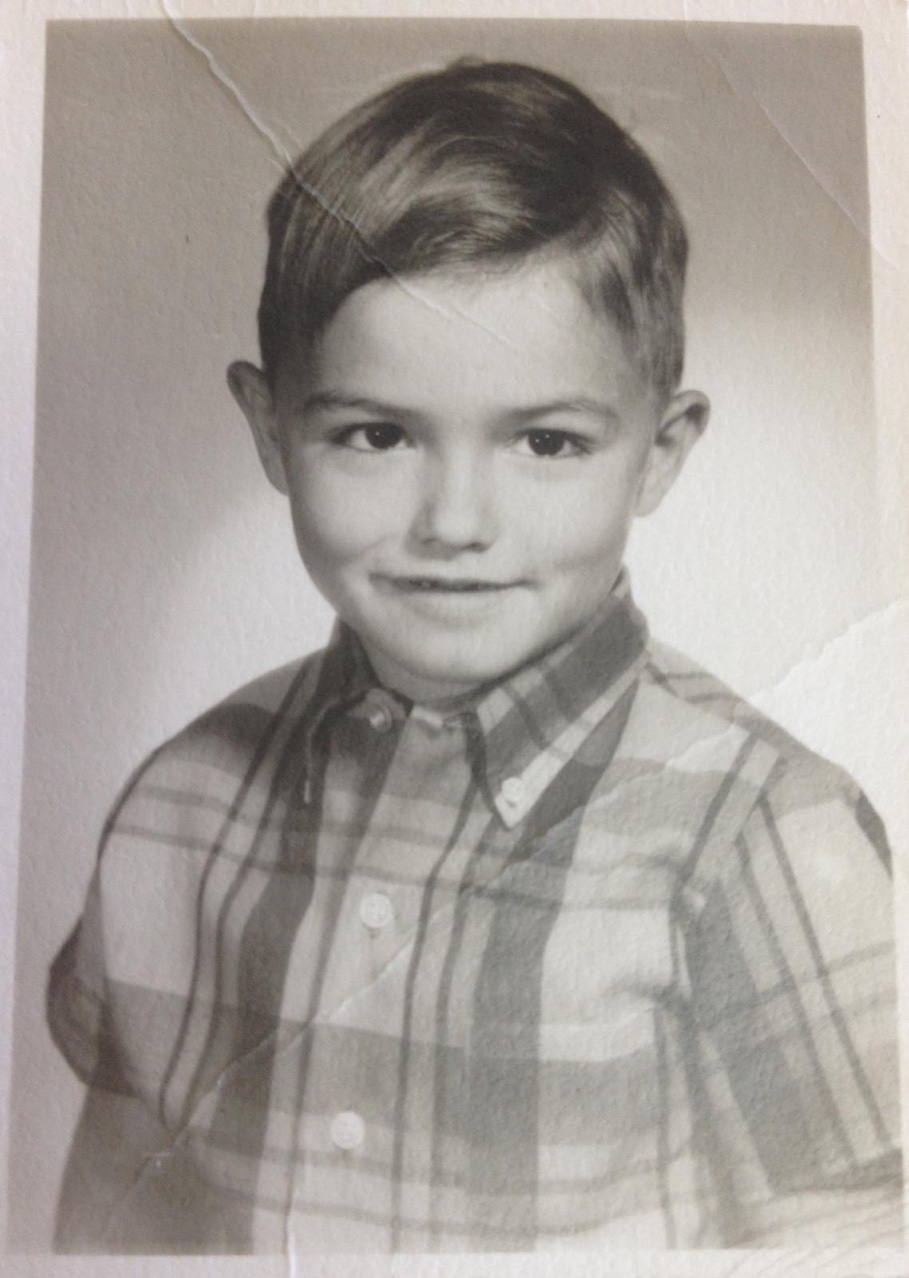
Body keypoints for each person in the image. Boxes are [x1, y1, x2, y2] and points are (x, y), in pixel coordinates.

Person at [47, 59, 902, 1254]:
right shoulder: (181, 804)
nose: (455, 520)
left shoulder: (765, 835)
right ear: (271, 431)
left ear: (659, 453)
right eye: (378, 433)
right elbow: (116, 1217)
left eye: (546, 442)